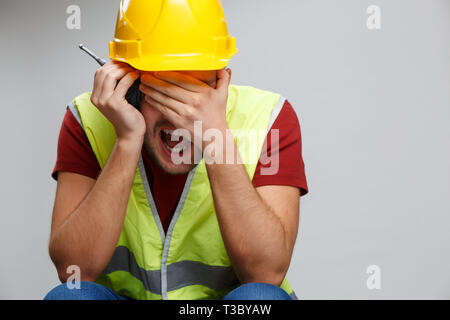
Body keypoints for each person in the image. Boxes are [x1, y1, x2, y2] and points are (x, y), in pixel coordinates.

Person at [44, 0, 308, 300]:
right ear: (125, 86)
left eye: (194, 93)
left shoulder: (268, 119)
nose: (180, 117)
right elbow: (73, 270)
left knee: (263, 300)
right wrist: (127, 140)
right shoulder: (87, 118)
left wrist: (215, 135)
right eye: (162, 92)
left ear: (221, 80)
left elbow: (266, 274)